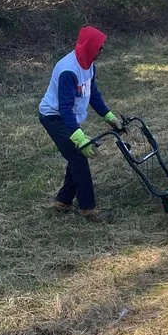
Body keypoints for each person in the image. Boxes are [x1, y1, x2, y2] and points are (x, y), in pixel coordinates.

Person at [39, 25, 121, 222]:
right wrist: (80, 138)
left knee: (74, 158)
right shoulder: (68, 70)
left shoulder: (89, 64)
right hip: (54, 117)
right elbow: (65, 109)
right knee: (79, 157)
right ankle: (88, 208)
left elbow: (93, 94)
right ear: (90, 47)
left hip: (67, 117)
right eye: (100, 47)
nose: (102, 51)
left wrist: (109, 116)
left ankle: (63, 201)